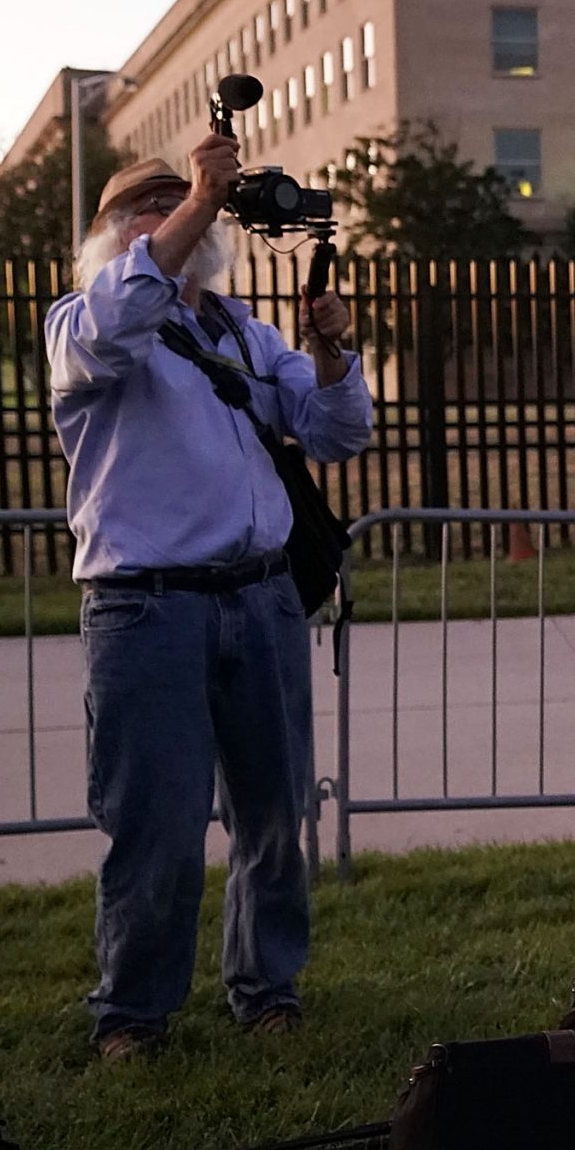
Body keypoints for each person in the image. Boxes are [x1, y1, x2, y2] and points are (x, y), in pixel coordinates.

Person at [46, 132, 373, 1061]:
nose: (166, 214)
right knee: (156, 819)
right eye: (144, 207)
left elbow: (334, 432)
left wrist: (332, 351)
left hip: (261, 599)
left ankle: (268, 987)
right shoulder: (83, 322)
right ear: (108, 236)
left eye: (178, 202)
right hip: (146, 608)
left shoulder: (241, 331)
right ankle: (133, 1016)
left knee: (275, 814)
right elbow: (124, 317)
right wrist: (196, 198)